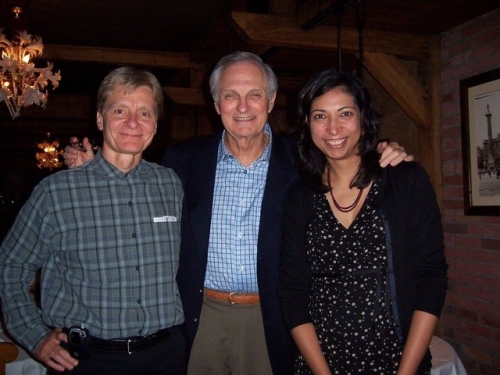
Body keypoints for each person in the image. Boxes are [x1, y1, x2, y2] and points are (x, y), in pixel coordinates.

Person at [63, 51, 413, 375]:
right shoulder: (182, 160)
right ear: (216, 103)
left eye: (255, 94)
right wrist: (96, 170)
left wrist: (384, 152)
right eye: (231, 95)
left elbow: (349, 160)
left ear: (271, 100)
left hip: (274, 316)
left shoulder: (305, 161)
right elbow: (137, 208)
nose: (243, 106)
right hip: (201, 316)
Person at [0, 67, 186, 375]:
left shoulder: (171, 184)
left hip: (165, 356)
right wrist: (34, 337)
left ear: (155, 123)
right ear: (100, 119)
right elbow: (10, 267)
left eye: (144, 113)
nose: (132, 123)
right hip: (87, 361)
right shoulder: (56, 192)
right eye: (119, 110)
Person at [279, 68, 448, 374]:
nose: (333, 128)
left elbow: (432, 278)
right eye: (320, 116)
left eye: (345, 113)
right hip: (320, 363)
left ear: (363, 118)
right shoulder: (300, 197)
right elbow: (291, 292)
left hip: (396, 361)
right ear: (307, 123)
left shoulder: (405, 180)